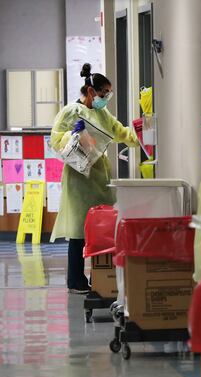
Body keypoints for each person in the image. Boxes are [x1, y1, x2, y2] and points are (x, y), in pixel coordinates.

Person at [50, 63, 139, 294]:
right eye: (103, 93)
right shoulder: (71, 112)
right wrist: (73, 133)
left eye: (107, 94)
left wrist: (138, 135)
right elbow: (55, 139)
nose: (105, 98)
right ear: (91, 91)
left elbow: (119, 131)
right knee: (79, 232)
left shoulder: (102, 113)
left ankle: (100, 278)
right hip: (79, 178)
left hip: (99, 175)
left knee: (101, 229)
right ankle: (75, 281)